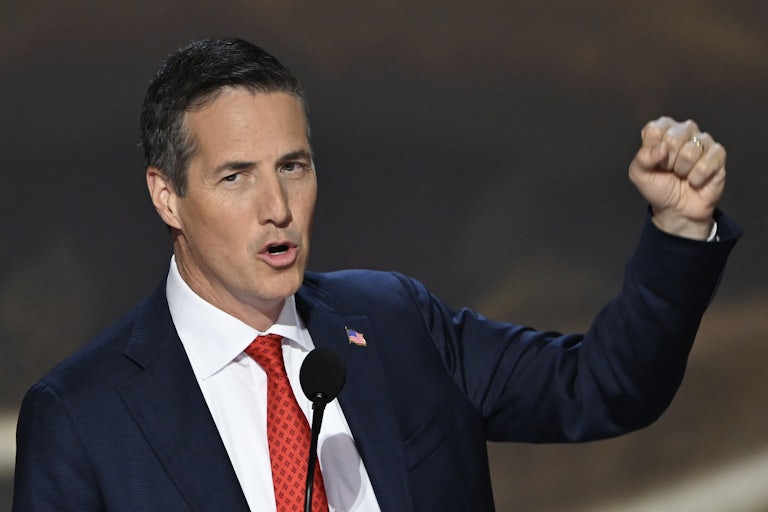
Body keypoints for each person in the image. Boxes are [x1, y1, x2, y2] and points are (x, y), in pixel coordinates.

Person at [13, 38, 740, 512]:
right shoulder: (81, 418)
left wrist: (679, 229)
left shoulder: (395, 321)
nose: (278, 208)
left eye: (293, 167)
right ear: (166, 195)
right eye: (236, 176)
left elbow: (606, 385)